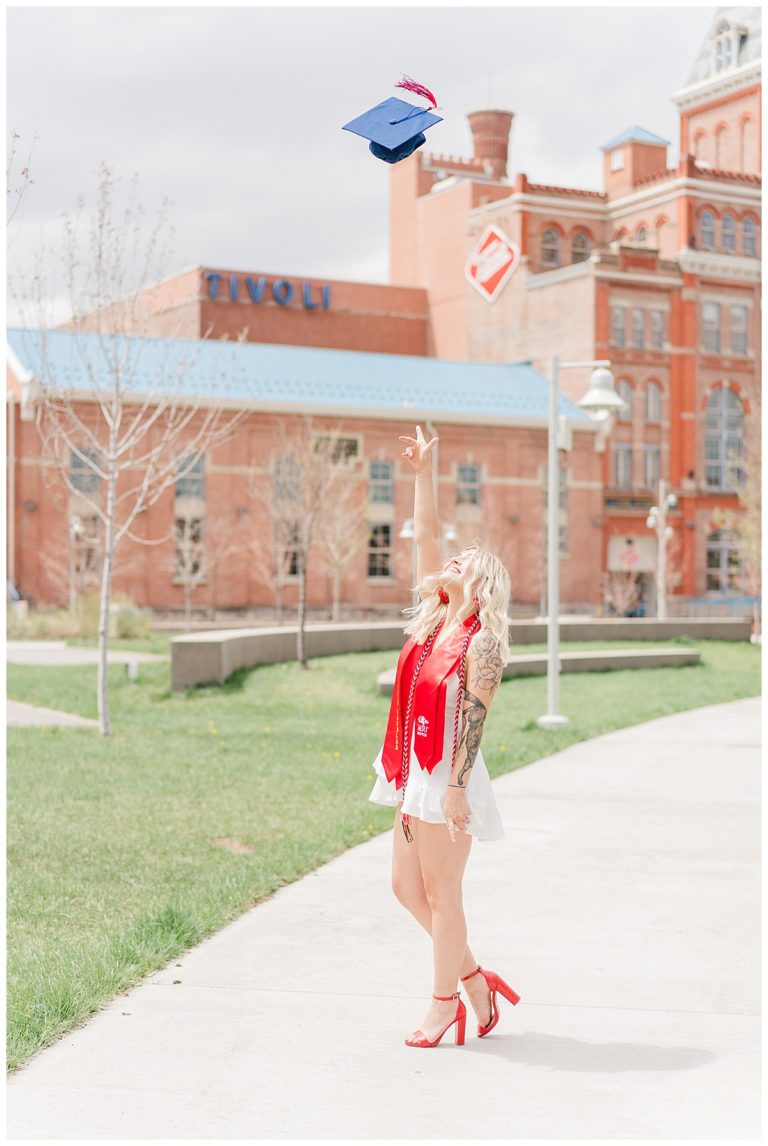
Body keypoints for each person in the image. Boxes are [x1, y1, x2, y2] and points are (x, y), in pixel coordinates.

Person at [369, 425, 521, 1049]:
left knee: (442, 891)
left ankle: (442, 1006)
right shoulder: (434, 622)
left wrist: (456, 789)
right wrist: (423, 474)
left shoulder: (481, 642)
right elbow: (426, 536)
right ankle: (475, 982)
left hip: (447, 775)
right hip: (412, 768)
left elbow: (476, 724)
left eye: (464, 563)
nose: (449, 562)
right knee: (405, 888)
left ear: (482, 584)